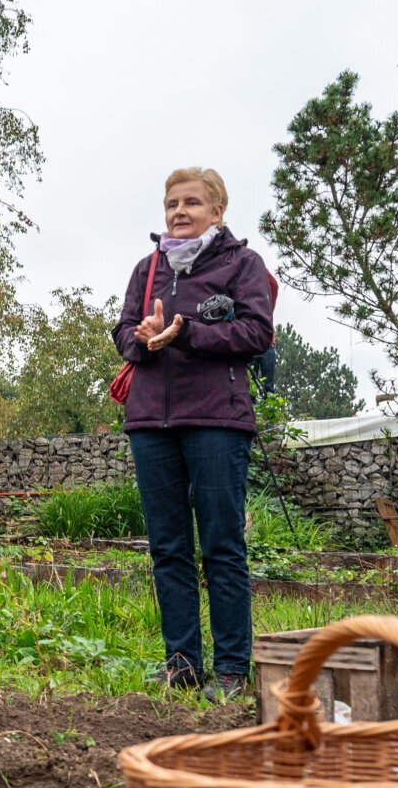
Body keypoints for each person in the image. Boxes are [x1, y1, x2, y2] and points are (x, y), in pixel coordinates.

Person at [111, 167, 275, 701]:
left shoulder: (242, 264)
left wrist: (186, 335)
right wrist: (142, 336)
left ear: (218, 211)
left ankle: (230, 668)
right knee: (167, 548)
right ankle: (181, 664)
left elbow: (256, 331)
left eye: (192, 203)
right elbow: (122, 332)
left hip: (216, 421)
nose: (179, 212)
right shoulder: (148, 268)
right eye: (172, 204)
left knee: (223, 546)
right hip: (150, 423)